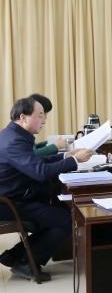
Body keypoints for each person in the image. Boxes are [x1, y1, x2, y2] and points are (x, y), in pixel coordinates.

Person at [0, 97, 94, 281]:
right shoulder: (14, 141)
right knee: (67, 220)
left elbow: (34, 161)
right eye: (40, 116)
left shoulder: (13, 134)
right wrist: (74, 160)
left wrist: (66, 156)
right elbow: (40, 172)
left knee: (56, 210)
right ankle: (26, 262)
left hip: (13, 195)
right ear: (23, 117)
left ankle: (14, 255)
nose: (44, 121)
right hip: (8, 203)